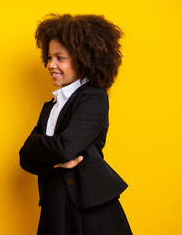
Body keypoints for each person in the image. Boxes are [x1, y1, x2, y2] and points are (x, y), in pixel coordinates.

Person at [19, 14, 132, 235]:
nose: (51, 65)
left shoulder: (94, 98)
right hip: (55, 205)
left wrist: (36, 143)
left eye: (60, 58)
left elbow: (65, 147)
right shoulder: (51, 106)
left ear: (83, 59)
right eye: (49, 57)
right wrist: (53, 163)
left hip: (90, 207)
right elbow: (25, 158)